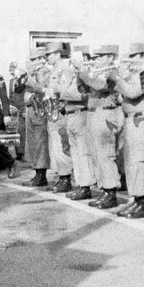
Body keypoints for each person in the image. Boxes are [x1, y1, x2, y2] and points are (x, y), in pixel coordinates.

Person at [109, 44, 144, 218]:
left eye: (134, 56)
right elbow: (121, 90)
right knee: (131, 163)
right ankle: (136, 199)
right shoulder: (134, 74)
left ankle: (143, 202)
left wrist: (118, 78)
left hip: (142, 120)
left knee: (140, 162)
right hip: (131, 119)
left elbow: (133, 92)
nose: (130, 60)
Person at [79, 45, 123, 208]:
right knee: (96, 155)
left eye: (100, 56)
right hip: (92, 113)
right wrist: (82, 74)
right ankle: (105, 189)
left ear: (110, 57)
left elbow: (100, 86)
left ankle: (111, 192)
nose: (96, 60)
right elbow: (82, 89)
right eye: (96, 57)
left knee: (105, 155)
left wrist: (82, 72)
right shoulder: (96, 72)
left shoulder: (113, 71)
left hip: (105, 114)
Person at [58, 44, 97, 200]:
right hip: (71, 114)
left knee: (83, 152)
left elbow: (71, 93)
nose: (73, 61)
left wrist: (68, 94)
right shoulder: (70, 73)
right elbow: (63, 91)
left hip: (82, 114)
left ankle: (86, 185)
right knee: (76, 153)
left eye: (77, 57)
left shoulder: (87, 74)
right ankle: (81, 184)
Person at [36, 43, 73, 191]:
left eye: (49, 54)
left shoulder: (64, 69)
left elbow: (65, 89)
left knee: (60, 146)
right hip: (53, 112)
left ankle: (65, 178)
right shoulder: (53, 70)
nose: (46, 58)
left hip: (60, 112)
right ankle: (62, 177)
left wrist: (51, 90)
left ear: (58, 54)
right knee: (56, 147)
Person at [17, 51, 50, 185]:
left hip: (39, 108)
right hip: (30, 108)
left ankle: (41, 175)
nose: (31, 62)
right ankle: (37, 172)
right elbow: (19, 89)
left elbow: (41, 87)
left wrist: (28, 77)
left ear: (42, 59)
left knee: (40, 142)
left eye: (34, 59)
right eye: (30, 59)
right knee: (32, 144)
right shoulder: (33, 72)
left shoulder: (45, 71)